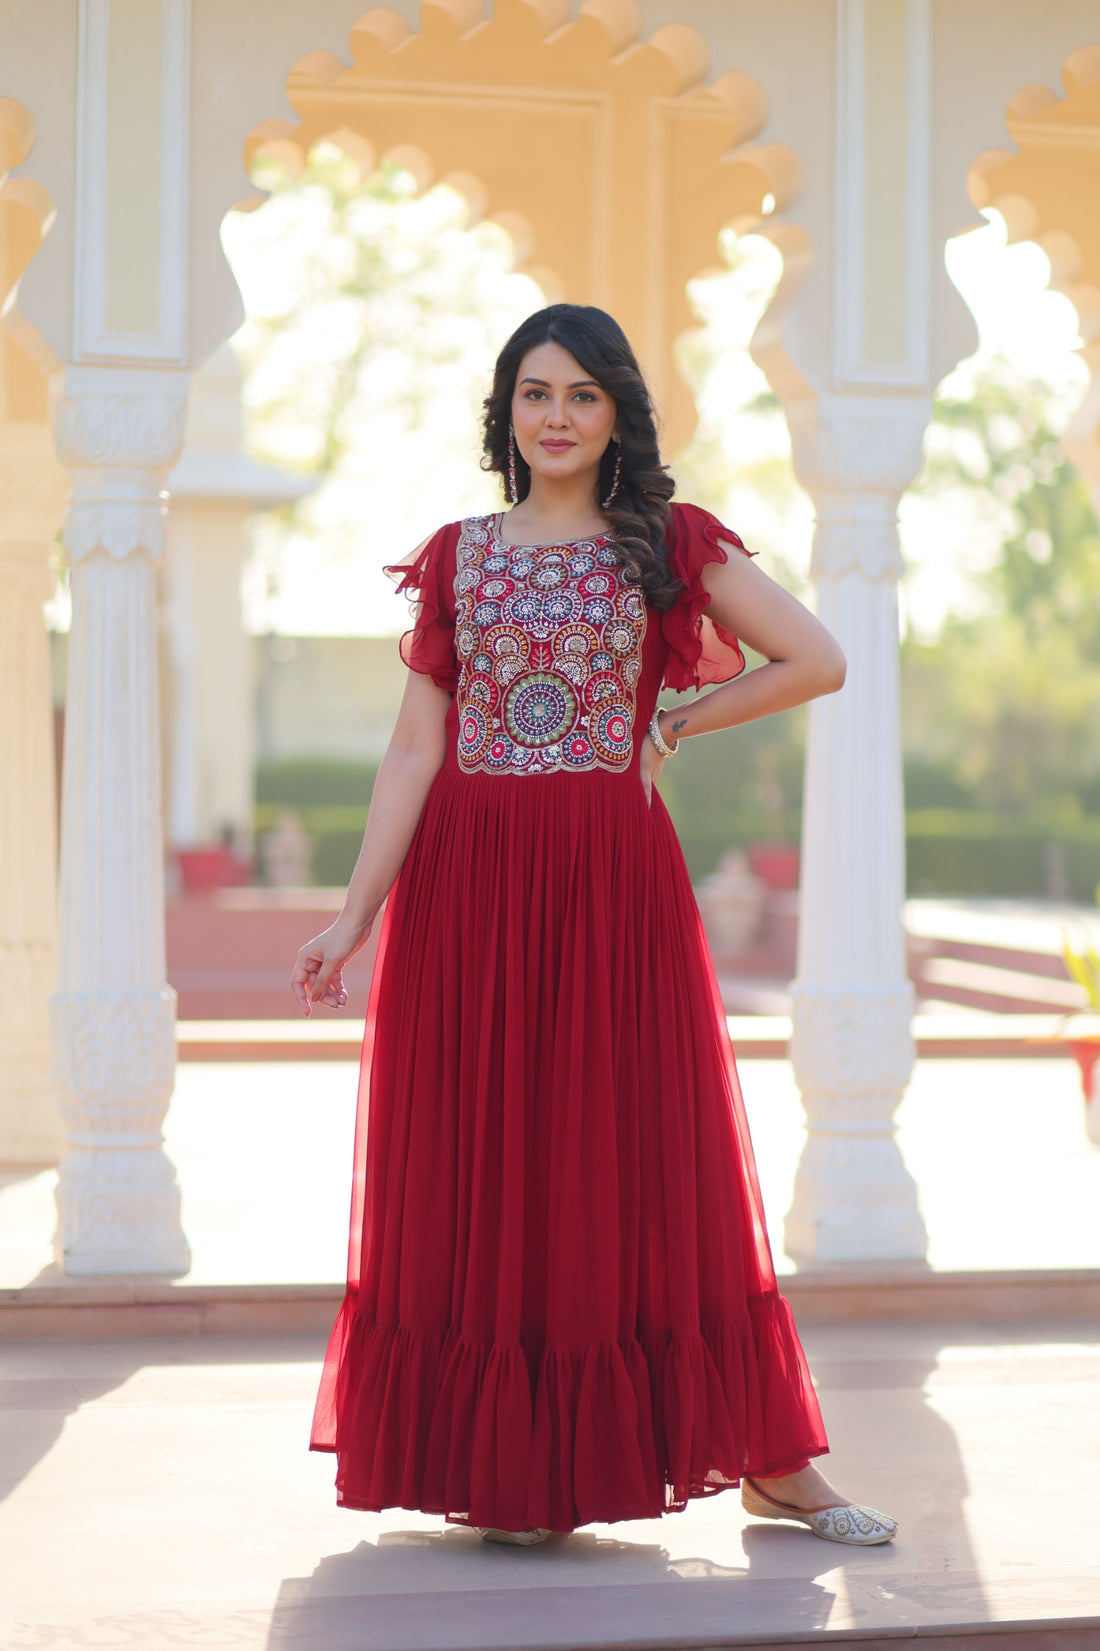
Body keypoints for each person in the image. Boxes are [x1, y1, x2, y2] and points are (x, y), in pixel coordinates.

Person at [293, 303, 897, 1549]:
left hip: (605, 885)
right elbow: (414, 747)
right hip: (466, 883)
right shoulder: (457, 556)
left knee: (632, 1147)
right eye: (533, 393)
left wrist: (672, 724)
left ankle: (773, 1462)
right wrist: (357, 913)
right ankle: (502, 1463)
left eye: (579, 394)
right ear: (503, 413)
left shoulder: (662, 541)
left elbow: (816, 656)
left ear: (616, 412)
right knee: (482, 1149)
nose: (555, 417)